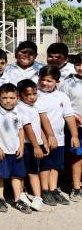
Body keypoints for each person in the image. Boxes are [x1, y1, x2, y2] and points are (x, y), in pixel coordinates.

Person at [36, 65, 79, 205]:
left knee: (56, 165)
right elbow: (43, 118)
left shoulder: (62, 96)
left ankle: (54, 189)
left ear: (57, 82)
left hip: (59, 138)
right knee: (45, 165)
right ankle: (45, 190)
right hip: (44, 139)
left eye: (49, 81)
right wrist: (49, 137)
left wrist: (74, 135)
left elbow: (69, 116)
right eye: (42, 80)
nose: (45, 83)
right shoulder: (36, 96)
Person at [0, 83, 29, 213]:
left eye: (12, 98)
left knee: (17, 175)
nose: (8, 100)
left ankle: (17, 199)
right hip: (2, 150)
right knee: (0, 175)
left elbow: (21, 130)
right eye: (4, 97)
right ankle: (1, 198)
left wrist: (21, 146)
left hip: (15, 149)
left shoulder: (19, 111)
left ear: (17, 98)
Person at [16, 79, 47, 212]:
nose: (32, 97)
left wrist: (43, 141)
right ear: (20, 95)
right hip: (26, 145)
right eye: (28, 95)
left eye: (34, 93)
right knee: (22, 172)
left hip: (35, 144)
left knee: (34, 171)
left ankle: (37, 197)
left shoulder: (34, 107)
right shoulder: (20, 108)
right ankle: (22, 194)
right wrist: (36, 146)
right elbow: (28, 129)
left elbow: (38, 126)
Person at [60, 54, 82, 201]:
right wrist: (74, 116)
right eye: (77, 64)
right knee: (76, 157)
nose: (80, 68)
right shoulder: (68, 83)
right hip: (76, 127)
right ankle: (75, 187)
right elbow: (62, 105)